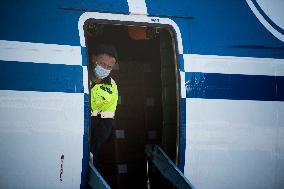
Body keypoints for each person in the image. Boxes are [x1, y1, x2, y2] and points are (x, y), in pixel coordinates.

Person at [89, 44, 118, 169]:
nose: (105, 68)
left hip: (95, 131)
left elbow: (107, 121)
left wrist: (92, 147)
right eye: (102, 64)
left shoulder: (112, 86)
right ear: (93, 59)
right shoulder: (80, 75)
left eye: (109, 67)